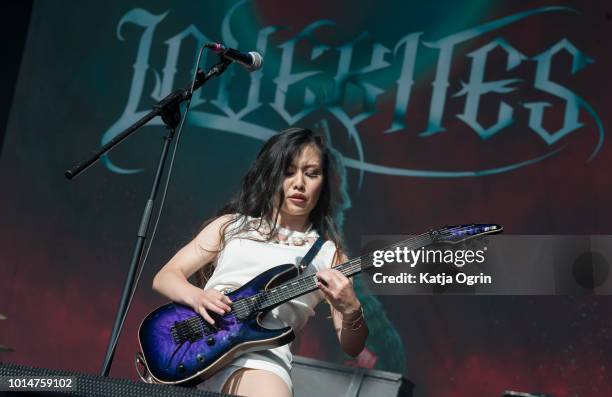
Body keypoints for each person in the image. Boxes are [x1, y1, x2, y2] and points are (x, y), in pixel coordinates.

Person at [152, 127, 369, 397]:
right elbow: (166, 276)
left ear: (323, 183)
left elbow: (352, 347)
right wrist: (197, 297)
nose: (299, 183)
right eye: (289, 171)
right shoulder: (231, 225)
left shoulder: (329, 255)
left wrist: (351, 310)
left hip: (260, 362)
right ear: (271, 174)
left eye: (311, 174)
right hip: (192, 346)